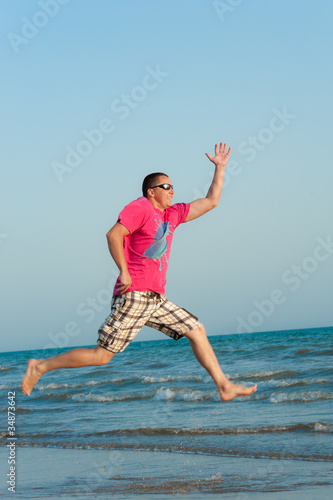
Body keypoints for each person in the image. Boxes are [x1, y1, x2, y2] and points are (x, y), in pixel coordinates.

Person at [22, 142, 257, 401]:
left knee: (196, 329)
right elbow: (113, 235)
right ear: (151, 191)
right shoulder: (141, 207)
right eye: (166, 187)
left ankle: (224, 385)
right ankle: (40, 366)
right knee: (101, 357)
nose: (172, 191)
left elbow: (212, 201)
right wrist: (123, 270)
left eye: (173, 186)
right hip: (134, 294)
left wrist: (220, 168)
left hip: (155, 298)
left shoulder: (173, 214)